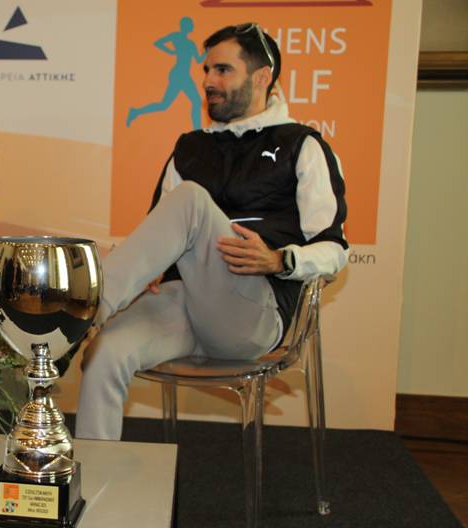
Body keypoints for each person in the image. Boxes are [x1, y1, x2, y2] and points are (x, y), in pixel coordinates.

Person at [75, 24, 348, 441]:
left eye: (223, 70)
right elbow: (157, 233)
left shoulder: (302, 144)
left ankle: (78, 316)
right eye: (206, 70)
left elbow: (334, 249)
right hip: (182, 305)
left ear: (262, 77)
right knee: (103, 354)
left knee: (190, 199)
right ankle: (95, 477)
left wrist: (280, 259)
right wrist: (147, 269)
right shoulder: (190, 147)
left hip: (251, 312)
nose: (207, 81)